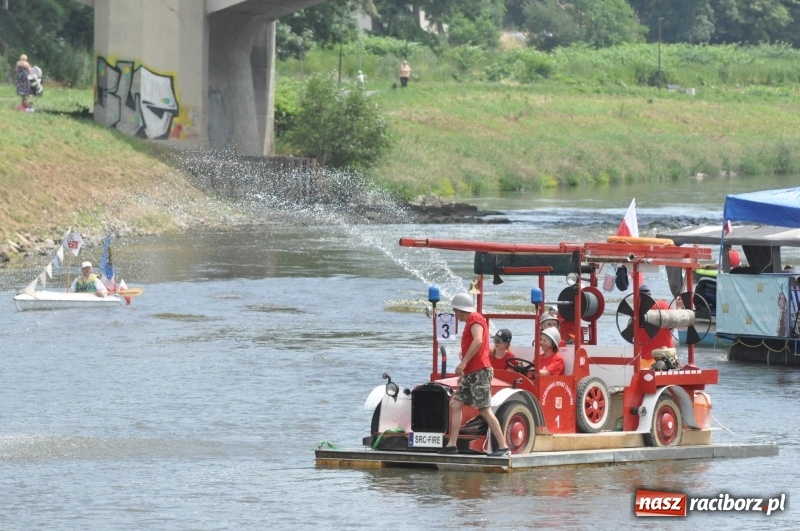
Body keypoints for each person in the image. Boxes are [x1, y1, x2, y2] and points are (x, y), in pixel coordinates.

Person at [439, 292, 510, 457]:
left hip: (480, 371)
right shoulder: (471, 320)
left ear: (460, 310)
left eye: (455, 311)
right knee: (455, 404)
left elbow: (478, 340)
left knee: (484, 409)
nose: (455, 314)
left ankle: (503, 446)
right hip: (471, 372)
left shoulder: (475, 318)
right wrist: (465, 358)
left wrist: (463, 362)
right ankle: (452, 445)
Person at [637, 285, 674, 360]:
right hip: (668, 355)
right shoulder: (664, 305)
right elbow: (672, 327)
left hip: (648, 358)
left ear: (638, 298)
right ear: (650, 295)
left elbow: (631, 335)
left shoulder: (636, 313)